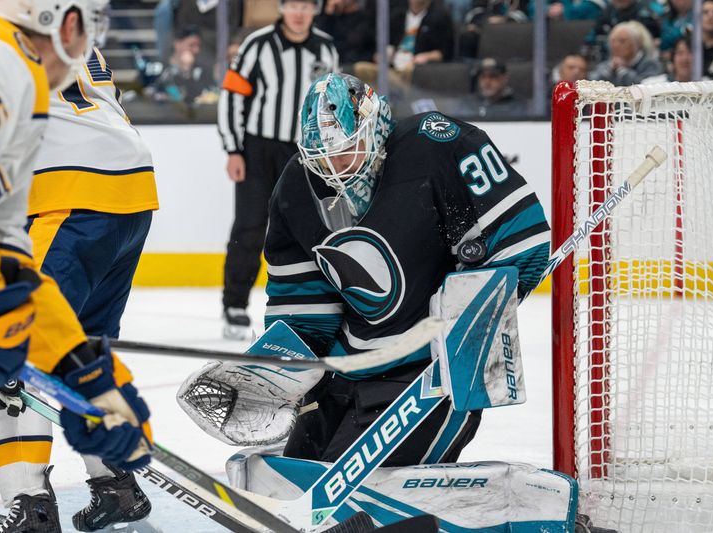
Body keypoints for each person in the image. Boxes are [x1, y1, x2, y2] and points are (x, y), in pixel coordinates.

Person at [0, 1, 153, 531]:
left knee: (7, 363)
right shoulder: (46, 19)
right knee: (81, 349)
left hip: (68, 193)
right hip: (133, 193)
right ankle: (117, 483)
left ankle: (27, 505)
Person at [260, 72, 549, 465]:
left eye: (346, 151)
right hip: (351, 370)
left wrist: (472, 316)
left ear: (375, 126)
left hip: (433, 372)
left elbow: (523, 239)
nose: (334, 169)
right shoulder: (297, 185)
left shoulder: (436, 144)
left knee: (356, 504)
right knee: (295, 483)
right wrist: (282, 368)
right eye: (322, 158)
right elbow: (304, 307)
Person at [217, 0, 339, 340]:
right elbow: (232, 95)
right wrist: (233, 149)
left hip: (306, 154)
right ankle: (235, 304)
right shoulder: (257, 45)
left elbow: (332, 102)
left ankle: (312, 305)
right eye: (293, 5)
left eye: (306, 6)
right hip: (259, 150)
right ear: (282, 8)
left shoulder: (326, 48)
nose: (299, 12)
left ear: (315, 10)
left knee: (312, 229)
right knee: (250, 226)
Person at [589, 20, 663, 85]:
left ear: (636, 44)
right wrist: (609, 71)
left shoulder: (651, 65)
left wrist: (622, 70)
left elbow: (643, 87)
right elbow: (592, 84)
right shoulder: (607, 65)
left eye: (622, 41)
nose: (616, 45)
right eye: (613, 41)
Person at [585, 0, 661, 60]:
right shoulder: (608, 11)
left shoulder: (645, 11)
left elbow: (657, 36)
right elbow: (593, 34)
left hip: (641, 56)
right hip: (609, 56)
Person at [457, 58, 529, 118]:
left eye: (493, 76)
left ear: (505, 78)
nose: (487, 82)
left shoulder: (519, 105)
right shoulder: (467, 104)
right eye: (483, 77)